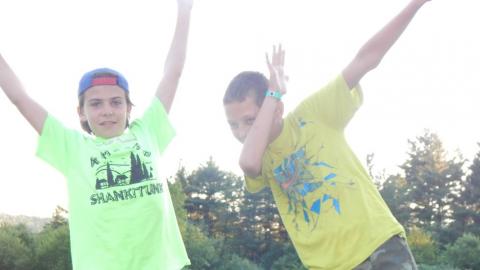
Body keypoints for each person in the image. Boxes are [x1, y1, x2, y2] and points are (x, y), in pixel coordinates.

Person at [223, 0, 433, 269]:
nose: (241, 132)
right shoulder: (258, 158)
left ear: (276, 110)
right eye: (233, 125)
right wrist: (272, 94)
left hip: (377, 246)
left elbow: (365, 60)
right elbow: (248, 163)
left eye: (249, 120)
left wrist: (416, 4)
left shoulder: (313, 114)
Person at [0, 0, 193, 269]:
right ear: (81, 112)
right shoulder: (72, 147)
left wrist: (184, 11)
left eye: (116, 102)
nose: (107, 111)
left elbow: (173, 73)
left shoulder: (148, 131)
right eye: (95, 104)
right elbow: (19, 97)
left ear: (128, 109)